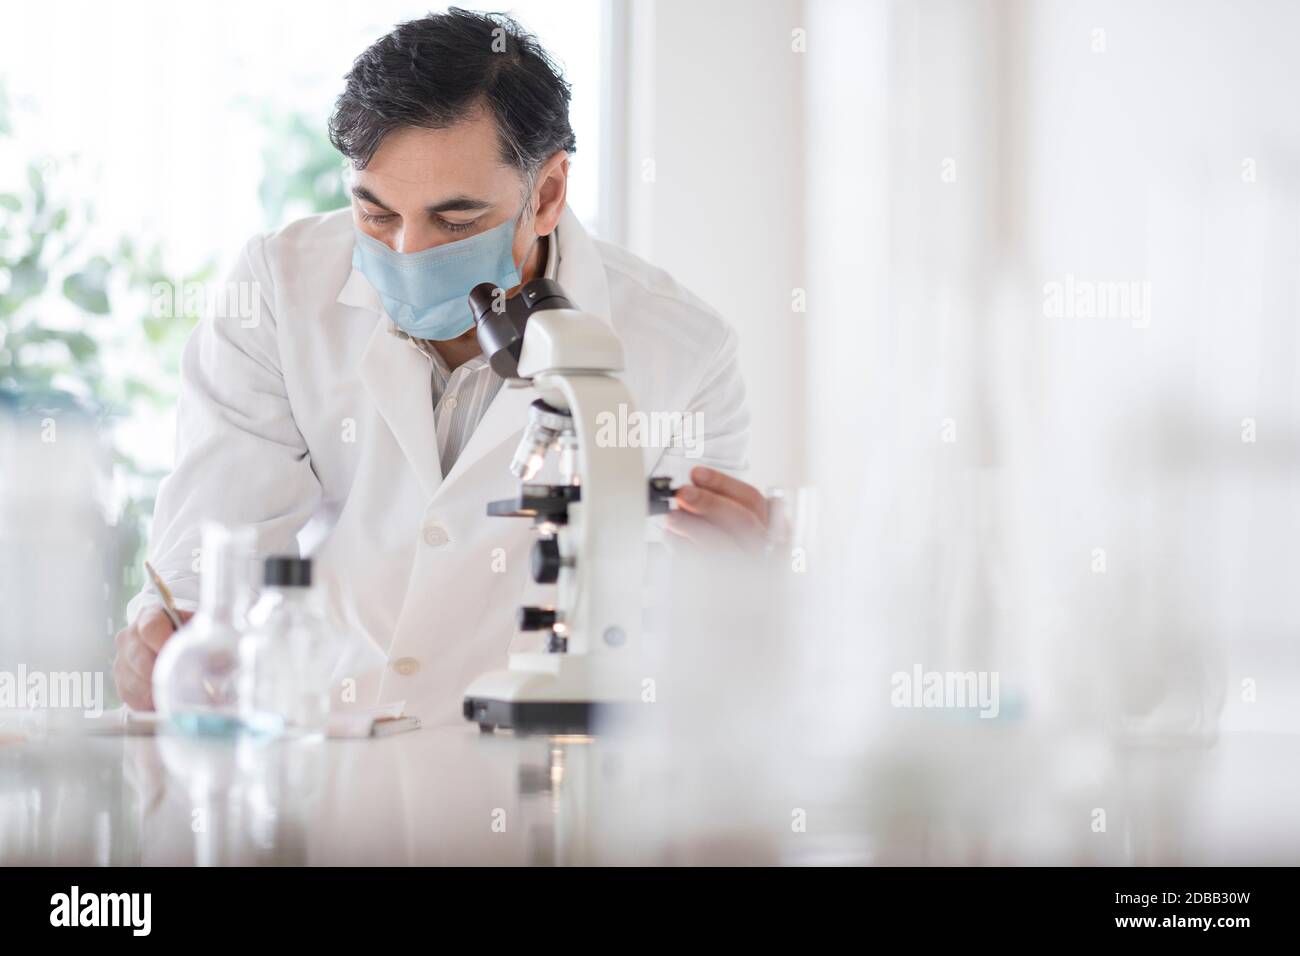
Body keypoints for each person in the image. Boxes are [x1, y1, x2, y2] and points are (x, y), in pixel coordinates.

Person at [113, 8, 766, 724]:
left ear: (546, 194)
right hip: (325, 761)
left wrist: (730, 593)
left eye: (455, 223)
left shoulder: (684, 353)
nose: (409, 252)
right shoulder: (277, 290)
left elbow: (682, 659)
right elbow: (214, 546)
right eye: (375, 213)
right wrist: (172, 634)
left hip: (536, 782)